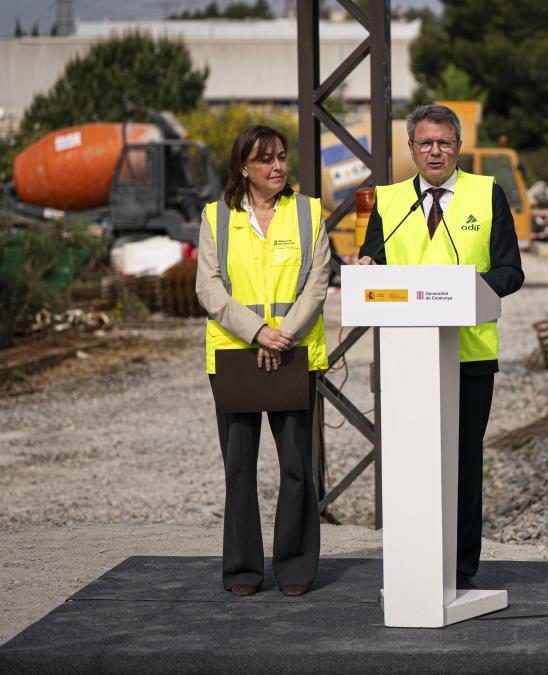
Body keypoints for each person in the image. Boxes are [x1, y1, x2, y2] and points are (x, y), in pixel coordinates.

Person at [355, 104, 523, 590]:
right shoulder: (387, 202)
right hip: (408, 358)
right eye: (425, 143)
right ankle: (414, 563)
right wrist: (366, 269)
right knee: (410, 461)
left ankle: (460, 568)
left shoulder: (486, 193)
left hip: (468, 355)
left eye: (444, 143)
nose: (435, 151)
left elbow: (511, 271)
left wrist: (468, 291)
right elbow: (375, 265)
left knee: (464, 463)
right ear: (411, 148)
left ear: (458, 147)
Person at [195, 125, 330, 597]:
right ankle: (243, 572)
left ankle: (294, 570)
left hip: (293, 354)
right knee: (239, 469)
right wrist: (256, 333)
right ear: (243, 168)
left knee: (297, 468)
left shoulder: (310, 213)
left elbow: (318, 282)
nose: (277, 166)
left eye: (281, 156)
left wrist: (283, 335)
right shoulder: (216, 217)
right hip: (236, 355)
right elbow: (208, 286)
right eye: (265, 159)